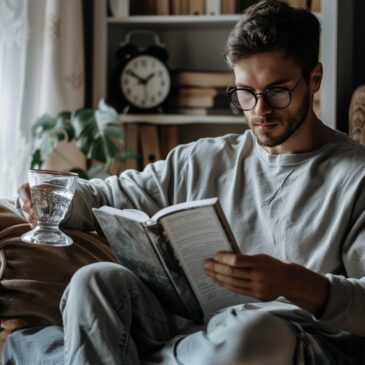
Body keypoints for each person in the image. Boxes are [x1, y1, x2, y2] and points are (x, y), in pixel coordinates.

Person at [3, 1, 365, 364]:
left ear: (314, 78)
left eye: (277, 91)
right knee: (94, 281)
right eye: (244, 93)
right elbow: (105, 195)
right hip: (187, 331)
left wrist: (292, 282)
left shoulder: (355, 176)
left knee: (255, 334)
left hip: (279, 340)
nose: (260, 110)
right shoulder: (202, 159)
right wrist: (51, 195)